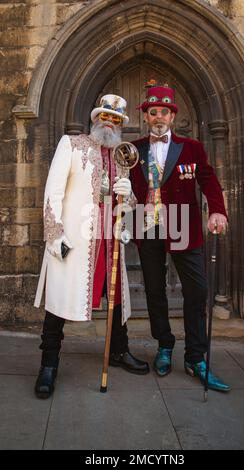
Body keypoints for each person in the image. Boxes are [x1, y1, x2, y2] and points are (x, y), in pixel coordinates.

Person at [34, 94, 149, 399]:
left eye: (115, 120)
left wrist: (130, 195)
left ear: (121, 125)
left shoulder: (123, 156)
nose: (109, 123)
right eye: (105, 117)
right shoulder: (71, 145)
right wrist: (55, 233)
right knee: (59, 302)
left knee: (116, 299)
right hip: (75, 239)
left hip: (109, 239)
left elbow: (127, 207)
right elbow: (53, 191)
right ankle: (48, 364)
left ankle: (119, 350)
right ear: (95, 119)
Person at [130, 81, 230, 392]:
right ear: (146, 116)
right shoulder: (134, 149)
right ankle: (164, 345)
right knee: (155, 292)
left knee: (197, 291)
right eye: (153, 112)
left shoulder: (192, 148)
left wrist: (217, 211)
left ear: (173, 116)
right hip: (149, 228)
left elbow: (209, 181)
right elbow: (126, 186)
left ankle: (195, 357)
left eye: (164, 112)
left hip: (184, 227)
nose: (158, 117)